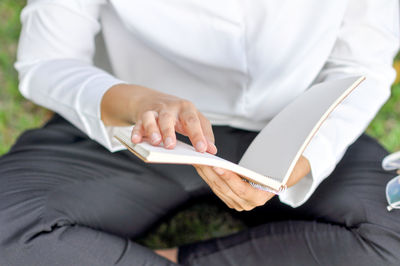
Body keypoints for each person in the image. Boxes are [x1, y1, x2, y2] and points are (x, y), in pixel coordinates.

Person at [0, 0, 399, 265]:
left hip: (295, 125)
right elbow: (47, 61)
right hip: (131, 131)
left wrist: (303, 158)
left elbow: (361, 66)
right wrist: (140, 102)